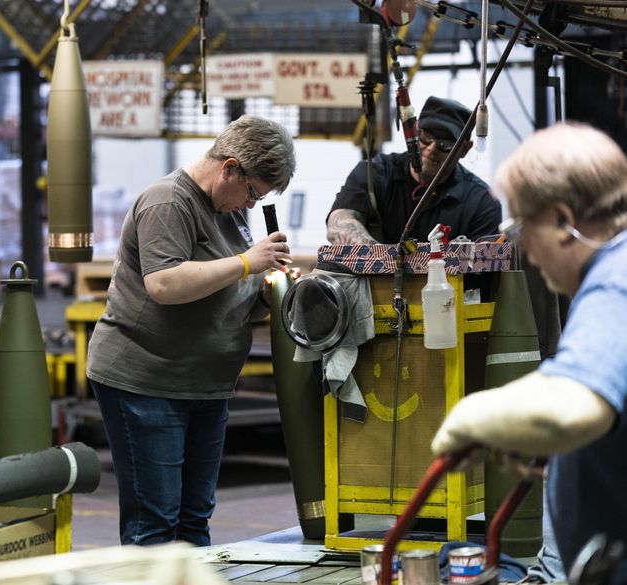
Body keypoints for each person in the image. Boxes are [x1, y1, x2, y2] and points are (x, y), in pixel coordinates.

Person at [86, 115, 296, 546]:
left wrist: (269, 288)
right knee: (156, 523)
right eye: (252, 192)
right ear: (230, 168)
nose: (251, 205)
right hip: (147, 382)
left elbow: (226, 293)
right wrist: (246, 263)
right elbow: (165, 284)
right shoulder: (168, 202)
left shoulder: (229, 212)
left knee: (194, 518)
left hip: (206, 386)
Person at [431, 123, 627, 582]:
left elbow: (571, 408)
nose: (521, 248)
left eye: (519, 227)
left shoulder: (615, 284)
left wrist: (470, 417)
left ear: (561, 221)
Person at [326, 96, 502, 245]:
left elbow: (483, 270)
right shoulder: (374, 173)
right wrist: (382, 260)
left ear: (465, 149)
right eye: (425, 138)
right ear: (413, 131)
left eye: (445, 145)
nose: (431, 149)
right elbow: (340, 223)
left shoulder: (482, 203)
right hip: (373, 285)